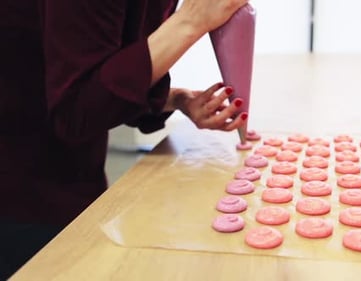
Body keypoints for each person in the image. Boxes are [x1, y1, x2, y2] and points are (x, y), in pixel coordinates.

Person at [0, 0, 249, 278]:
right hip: (23, 190)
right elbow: (73, 111)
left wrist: (175, 99)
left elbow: (102, 71)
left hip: (74, 176)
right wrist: (189, 22)